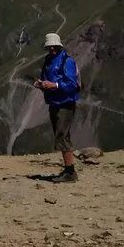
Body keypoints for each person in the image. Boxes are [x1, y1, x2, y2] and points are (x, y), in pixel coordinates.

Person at [34, 32, 81, 182]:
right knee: (61, 135)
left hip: (65, 103)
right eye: (49, 47)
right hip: (54, 103)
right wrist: (41, 84)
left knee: (62, 135)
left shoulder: (67, 61)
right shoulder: (48, 60)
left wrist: (54, 85)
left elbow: (72, 84)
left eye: (53, 47)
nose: (51, 49)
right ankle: (68, 170)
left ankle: (70, 172)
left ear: (58, 46)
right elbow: (46, 79)